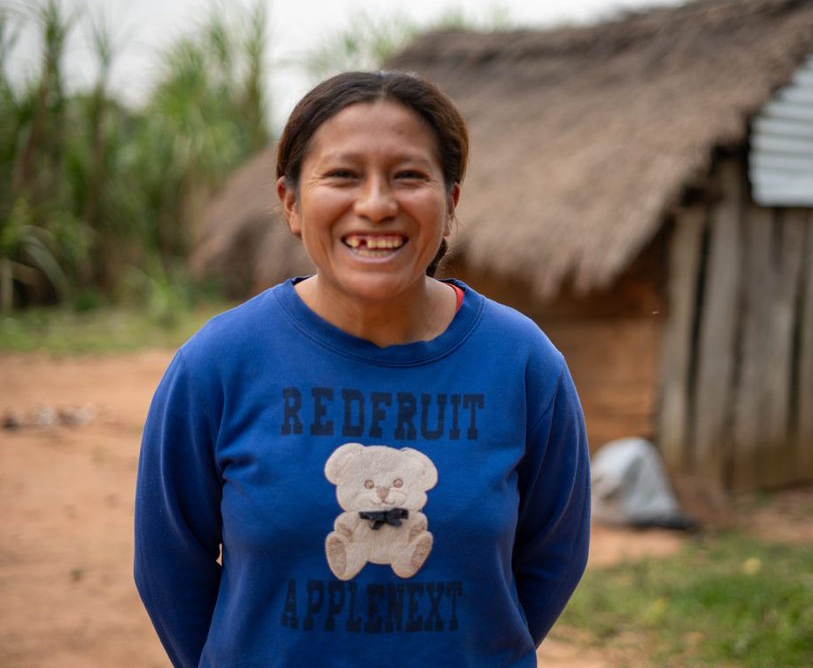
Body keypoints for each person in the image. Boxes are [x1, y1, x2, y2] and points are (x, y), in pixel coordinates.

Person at [133, 70, 591, 668]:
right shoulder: (218, 365)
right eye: (344, 175)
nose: (376, 205)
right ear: (291, 202)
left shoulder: (524, 364)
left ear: (449, 204)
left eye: (408, 176)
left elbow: (553, 556)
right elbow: (169, 564)